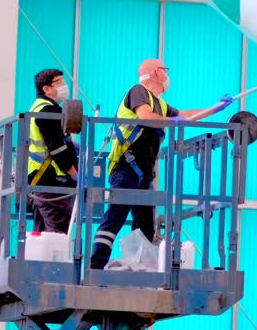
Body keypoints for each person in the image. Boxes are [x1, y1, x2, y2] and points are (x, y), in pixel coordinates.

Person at [89, 59, 232, 269]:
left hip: (143, 173)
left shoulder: (160, 104)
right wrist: (173, 122)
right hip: (125, 167)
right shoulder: (138, 92)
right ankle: (96, 266)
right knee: (116, 216)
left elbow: (184, 115)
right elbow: (145, 117)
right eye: (165, 70)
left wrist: (215, 108)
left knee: (145, 224)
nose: (167, 74)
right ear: (156, 72)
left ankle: (141, 267)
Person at [26, 68, 79, 234]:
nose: (64, 86)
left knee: (40, 231)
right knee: (59, 229)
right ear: (46, 89)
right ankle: (51, 260)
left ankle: (35, 260)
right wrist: (73, 173)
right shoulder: (49, 111)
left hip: (37, 179)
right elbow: (57, 147)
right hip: (48, 179)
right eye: (60, 82)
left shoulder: (36, 108)